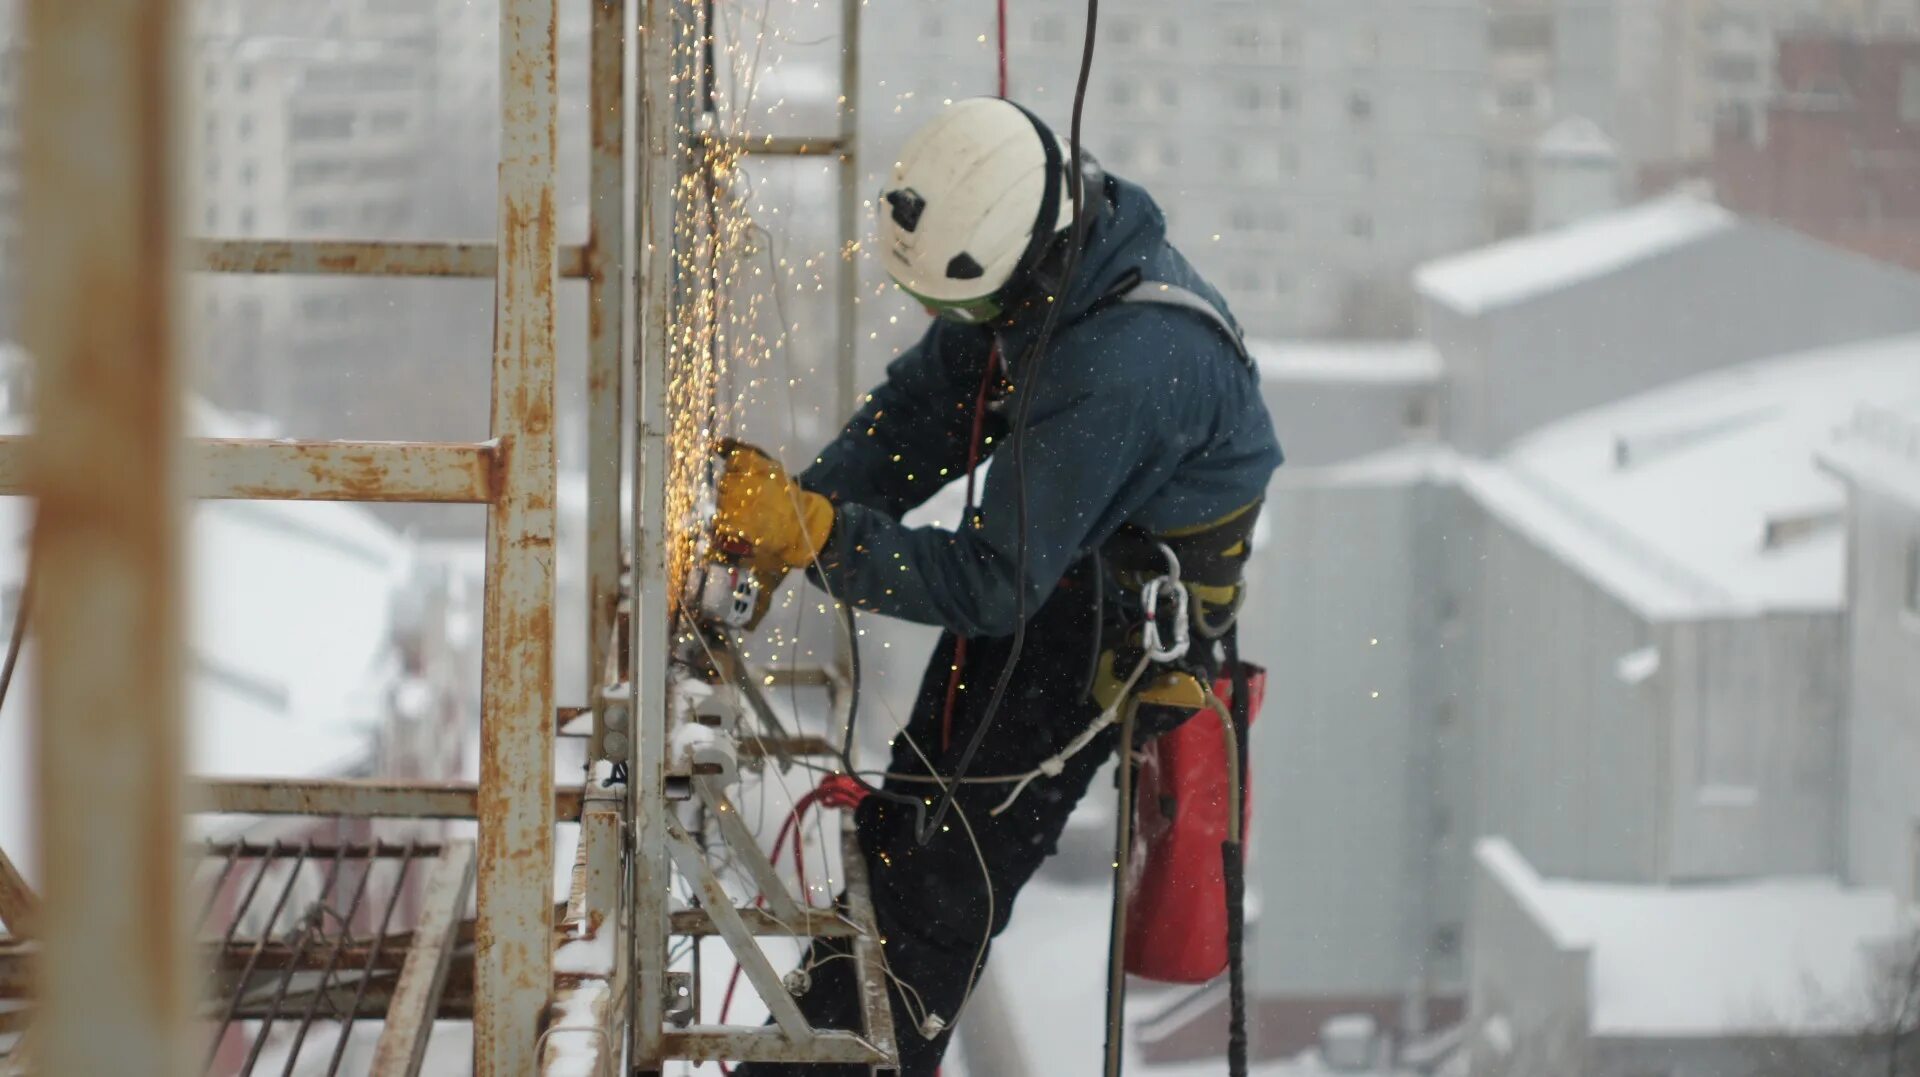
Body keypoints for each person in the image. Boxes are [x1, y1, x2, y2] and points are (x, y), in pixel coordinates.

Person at [717, 97, 1283, 1075]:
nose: (949, 327)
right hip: (1061, 572)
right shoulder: (1046, 263)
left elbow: (990, 582)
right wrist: (808, 508)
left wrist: (815, 537)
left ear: (1028, 264)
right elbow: (922, 413)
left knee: (941, 885)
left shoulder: (1121, 366)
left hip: (1101, 628)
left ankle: (846, 1060)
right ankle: (820, 1043)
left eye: (963, 309)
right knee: (907, 823)